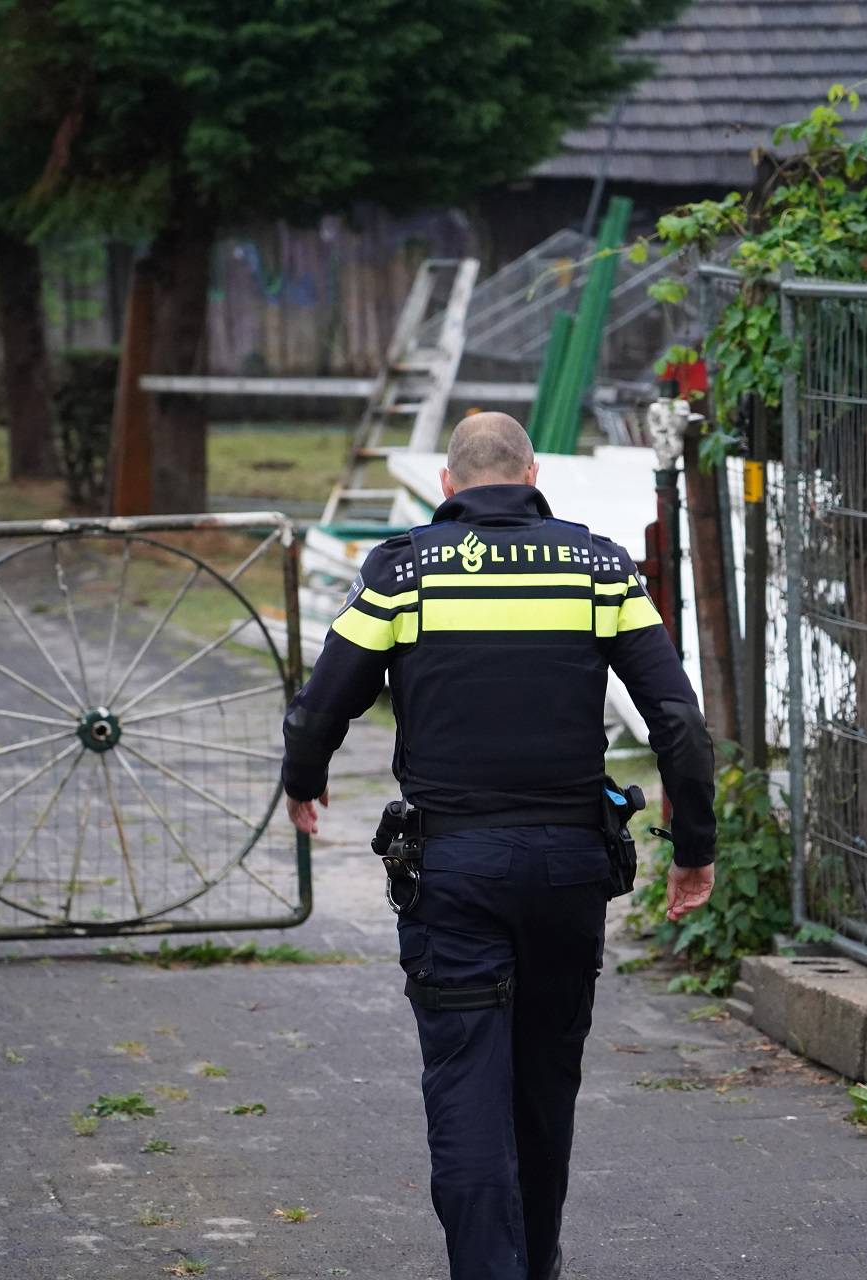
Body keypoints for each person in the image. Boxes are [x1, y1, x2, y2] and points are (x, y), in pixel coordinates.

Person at [280, 412, 717, 1280]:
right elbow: (677, 718)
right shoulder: (599, 566)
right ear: (530, 473)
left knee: (465, 1086)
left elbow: (326, 697)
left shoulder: (403, 572)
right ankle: (537, 1263)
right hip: (567, 871)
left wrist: (305, 778)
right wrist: (694, 844)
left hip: (453, 871)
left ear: (447, 485)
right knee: (545, 1088)